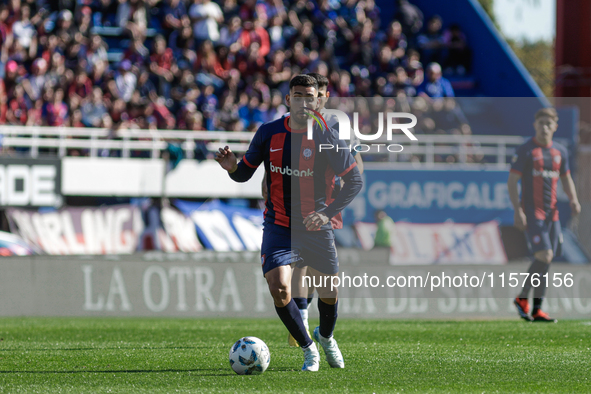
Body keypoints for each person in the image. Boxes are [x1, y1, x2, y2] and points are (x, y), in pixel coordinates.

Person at [216, 75, 363, 371]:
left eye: (310, 97)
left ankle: (326, 336)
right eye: (298, 97)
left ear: (317, 100)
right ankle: (310, 350)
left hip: (315, 226)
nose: (305, 103)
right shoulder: (269, 133)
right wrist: (232, 167)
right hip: (278, 224)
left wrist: (328, 211)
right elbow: (245, 171)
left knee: (330, 293)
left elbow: (354, 180)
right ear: (288, 100)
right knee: (279, 287)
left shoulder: (326, 137)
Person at [287, 72, 364, 348]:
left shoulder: (335, 124)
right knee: (299, 262)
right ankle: (303, 318)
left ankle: (315, 322)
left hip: (325, 202)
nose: (313, 101)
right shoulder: (296, 120)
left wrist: (342, 191)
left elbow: (355, 163)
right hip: (298, 203)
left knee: (319, 270)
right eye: (309, 96)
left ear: (325, 96)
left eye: (318, 96)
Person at [508, 107, 581, 323]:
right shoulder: (526, 150)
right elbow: (512, 182)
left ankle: (537, 308)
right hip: (533, 212)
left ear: (555, 127)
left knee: (547, 261)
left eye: (549, 124)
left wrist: (574, 199)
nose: (545, 127)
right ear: (535, 125)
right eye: (541, 123)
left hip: (553, 213)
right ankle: (522, 298)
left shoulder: (560, 152)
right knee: (545, 256)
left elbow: (566, 177)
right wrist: (518, 210)